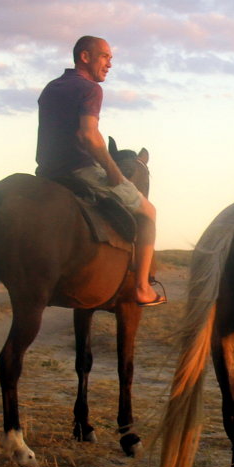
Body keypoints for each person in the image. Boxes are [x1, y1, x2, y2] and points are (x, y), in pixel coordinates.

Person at [36, 35, 164, 306]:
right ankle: (142, 287)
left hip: (46, 172)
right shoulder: (90, 88)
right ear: (85, 57)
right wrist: (114, 172)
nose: (109, 64)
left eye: (111, 59)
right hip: (79, 170)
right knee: (148, 212)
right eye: (105, 56)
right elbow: (89, 135)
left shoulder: (51, 87)